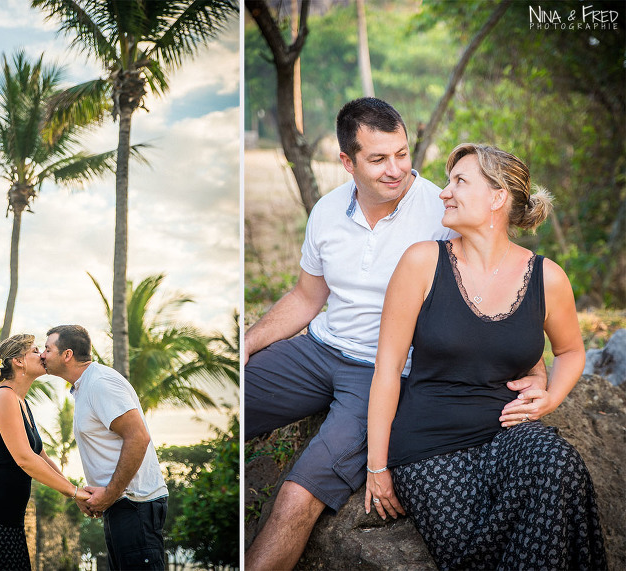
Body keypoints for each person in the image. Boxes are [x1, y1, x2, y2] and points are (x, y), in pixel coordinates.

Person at [244, 98, 547, 570]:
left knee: (296, 497)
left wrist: (537, 369)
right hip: (318, 349)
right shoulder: (327, 211)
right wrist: (246, 345)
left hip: (383, 375)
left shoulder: (441, 212)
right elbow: (307, 297)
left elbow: (499, 287)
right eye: (379, 159)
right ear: (347, 161)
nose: (396, 169)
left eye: (402, 154)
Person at [364, 143, 607, 569]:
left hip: (507, 440)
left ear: (497, 198)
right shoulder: (422, 262)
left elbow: (570, 351)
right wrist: (377, 467)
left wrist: (550, 395)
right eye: (447, 181)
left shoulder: (547, 278)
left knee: (558, 465)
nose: (443, 192)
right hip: (429, 451)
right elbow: (386, 370)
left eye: (459, 181)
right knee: (472, 557)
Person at [0, 334, 91, 571]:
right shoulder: (4, 396)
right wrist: (75, 493)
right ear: (18, 361)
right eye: (36, 351)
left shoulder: (21, 402)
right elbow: (25, 459)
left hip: (8, 515)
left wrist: (73, 494)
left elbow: (41, 457)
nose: (43, 355)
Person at [41, 325, 168, 571]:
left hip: (134, 504)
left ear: (67, 355)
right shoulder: (84, 386)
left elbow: (139, 437)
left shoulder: (100, 383)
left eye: (48, 349)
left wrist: (110, 493)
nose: (42, 355)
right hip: (120, 505)